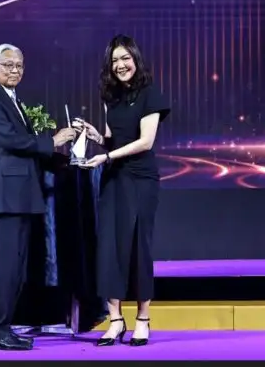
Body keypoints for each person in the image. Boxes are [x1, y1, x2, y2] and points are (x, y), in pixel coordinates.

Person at [0, 43, 76, 351]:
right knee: (6, 269)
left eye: (19, 65)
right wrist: (52, 141)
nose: (14, 70)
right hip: (2, 198)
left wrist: (67, 160)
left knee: (15, 269)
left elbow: (25, 149)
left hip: (18, 197)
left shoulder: (12, 99)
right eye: (8, 65)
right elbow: (10, 139)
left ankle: (1, 328)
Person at [74, 34, 170, 347]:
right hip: (114, 179)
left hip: (141, 179)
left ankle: (143, 318)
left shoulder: (150, 94)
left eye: (125, 58)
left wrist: (107, 156)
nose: (120, 65)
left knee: (139, 246)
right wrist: (96, 137)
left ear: (135, 59)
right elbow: (112, 140)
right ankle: (115, 319)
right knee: (110, 247)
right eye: (115, 60)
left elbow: (145, 142)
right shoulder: (110, 97)